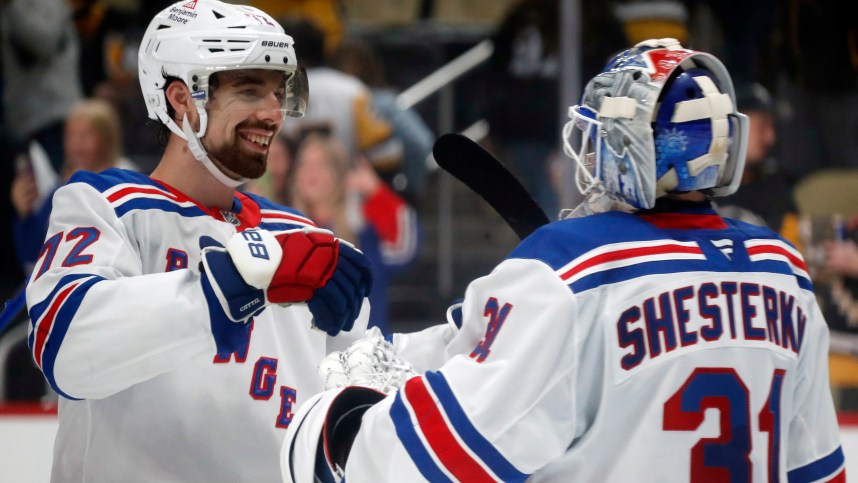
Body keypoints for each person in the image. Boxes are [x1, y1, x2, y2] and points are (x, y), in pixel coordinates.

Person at [281, 39, 845, 482]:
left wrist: (343, 433)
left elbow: (450, 455)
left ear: (630, 146)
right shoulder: (782, 271)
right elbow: (817, 466)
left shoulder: (569, 266)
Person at [22, 1, 376, 481]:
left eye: (278, 93)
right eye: (250, 91)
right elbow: (65, 346)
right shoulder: (107, 205)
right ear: (181, 99)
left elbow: (367, 383)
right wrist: (231, 281)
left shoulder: (305, 239)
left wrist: (481, 332)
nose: (273, 113)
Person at [289, 133, 420, 334]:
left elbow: (405, 249)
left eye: (322, 164)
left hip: (359, 351)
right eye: (304, 164)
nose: (310, 171)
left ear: (340, 174)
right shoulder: (286, 229)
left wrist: (376, 192)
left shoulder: (362, 231)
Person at [11, 98, 137, 273]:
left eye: (86, 135)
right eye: (71, 135)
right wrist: (25, 215)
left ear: (106, 139)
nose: (76, 145)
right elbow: (32, 253)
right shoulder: (64, 183)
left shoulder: (126, 178)